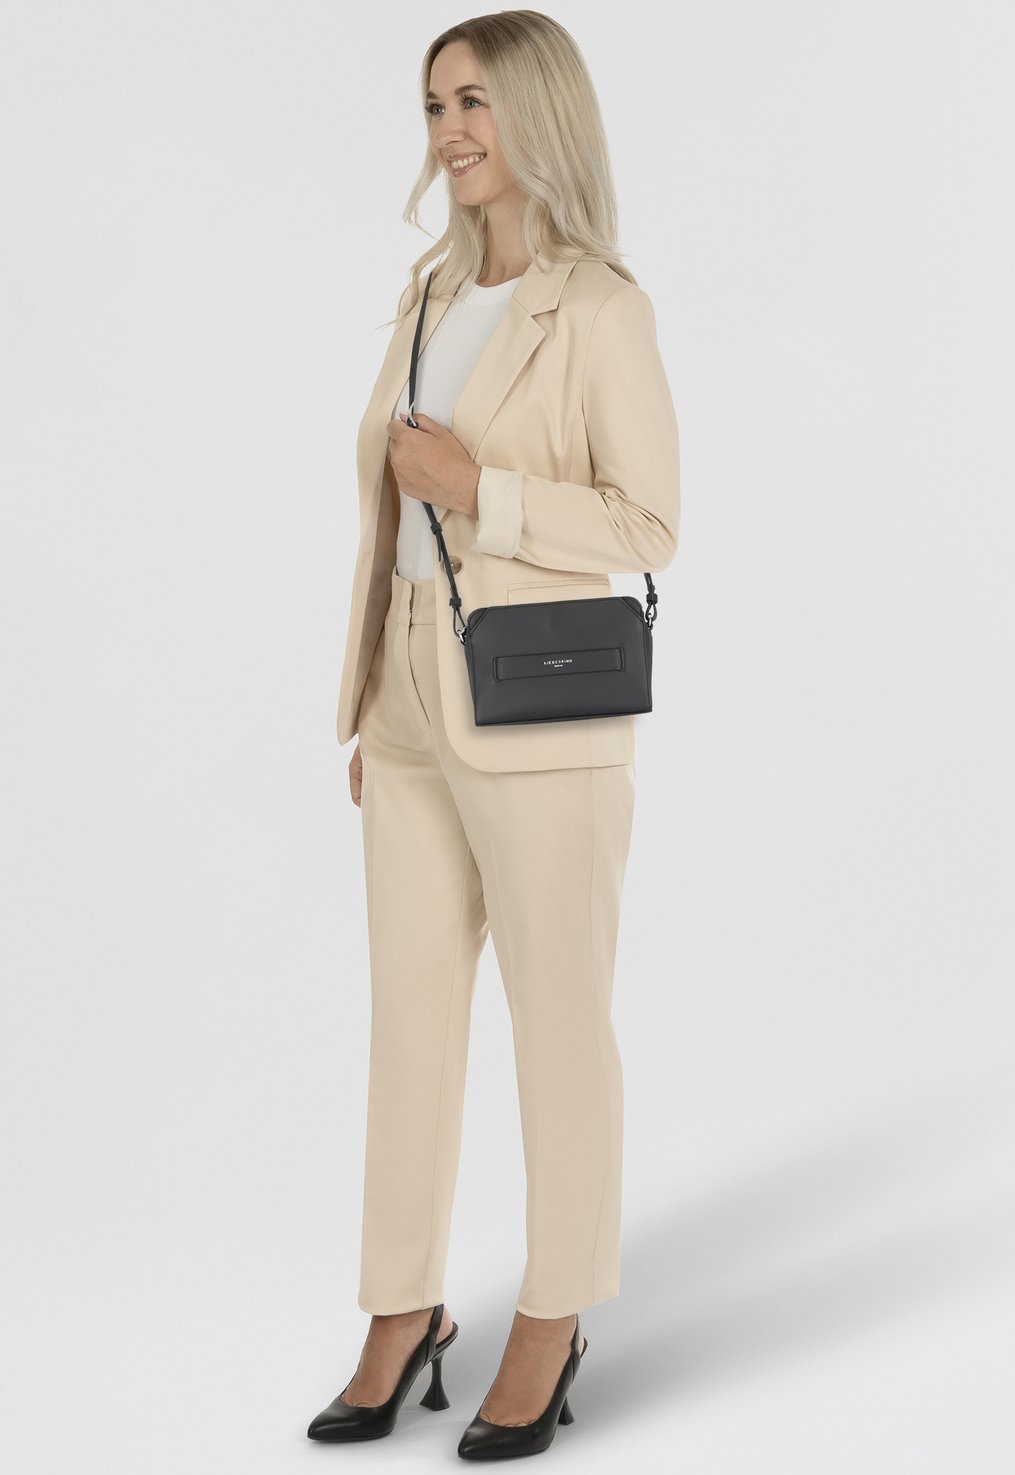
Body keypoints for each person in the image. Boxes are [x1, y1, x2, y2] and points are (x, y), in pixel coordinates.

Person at [309, 10, 680, 1460]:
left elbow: (650, 526)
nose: (450, 131)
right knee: (408, 1023)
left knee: (557, 1023)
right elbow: (385, 515)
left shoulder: (600, 309)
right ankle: (402, 1307)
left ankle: (555, 1308)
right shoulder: (430, 291)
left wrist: (485, 492)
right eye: (434, 107)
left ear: (538, 113)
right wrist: (371, 698)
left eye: (474, 101)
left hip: (538, 709)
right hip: (409, 698)